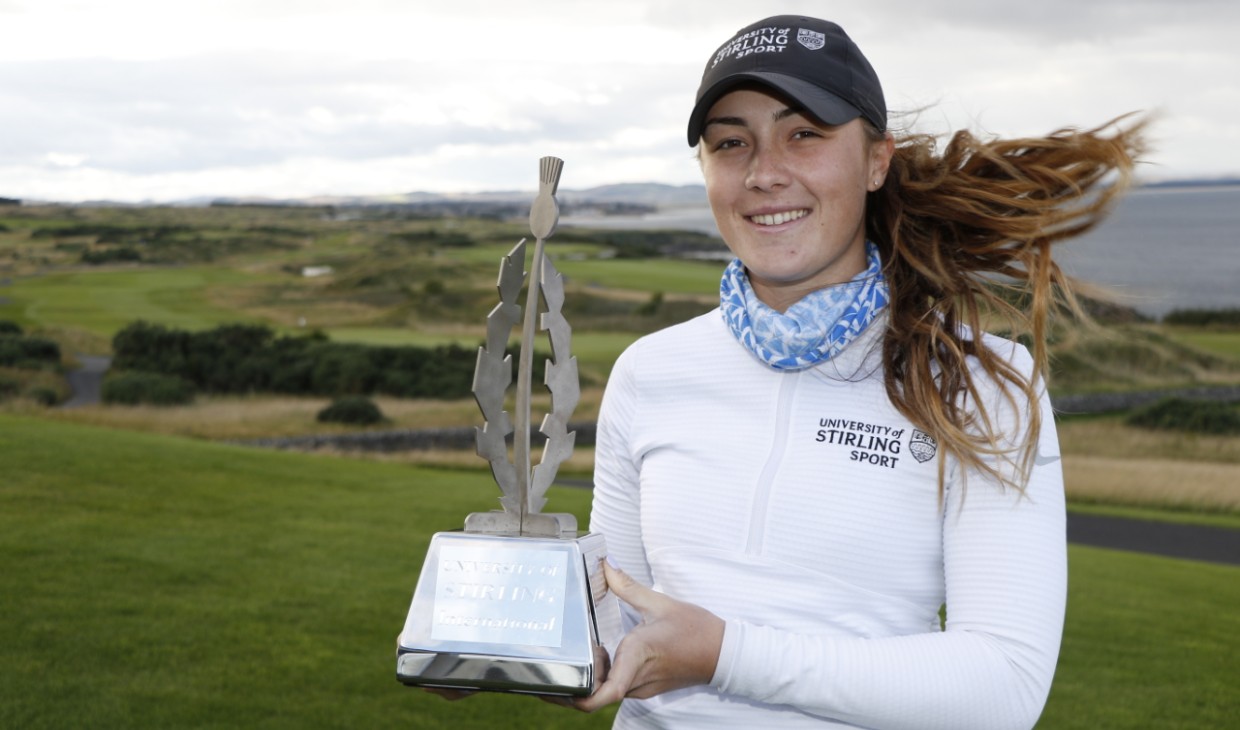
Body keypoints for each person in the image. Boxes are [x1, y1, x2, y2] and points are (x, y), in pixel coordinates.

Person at [576, 14, 1145, 730]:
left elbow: (1004, 686)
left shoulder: (985, 383)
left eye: (804, 133)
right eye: (731, 142)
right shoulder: (648, 371)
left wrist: (726, 655)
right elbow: (619, 622)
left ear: (877, 160)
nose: (764, 173)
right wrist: (493, 648)